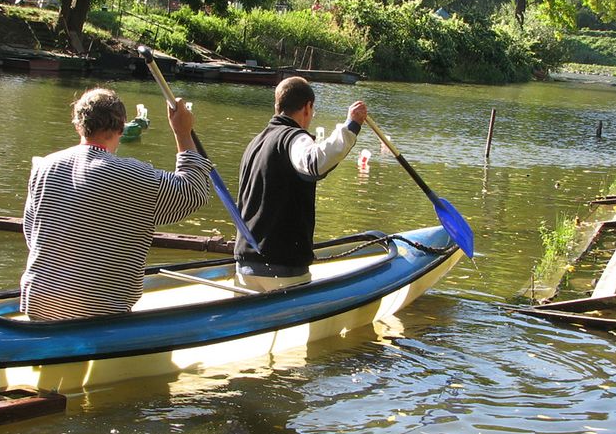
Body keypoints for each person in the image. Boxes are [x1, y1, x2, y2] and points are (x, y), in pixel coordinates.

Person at [20, 88, 211, 320]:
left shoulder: (43, 167)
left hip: (38, 303)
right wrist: (182, 133)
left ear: (78, 125)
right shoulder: (131, 175)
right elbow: (193, 191)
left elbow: (31, 234)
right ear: (121, 127)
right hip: (98, 311)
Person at [234, 76, 367, 292]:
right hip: (282, 268)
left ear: (277, 106)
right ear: (307, 107)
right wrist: (351, 126)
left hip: (245, 265)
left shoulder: (254, 143)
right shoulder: (294, 138)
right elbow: (315, 163)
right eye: (312, 111)